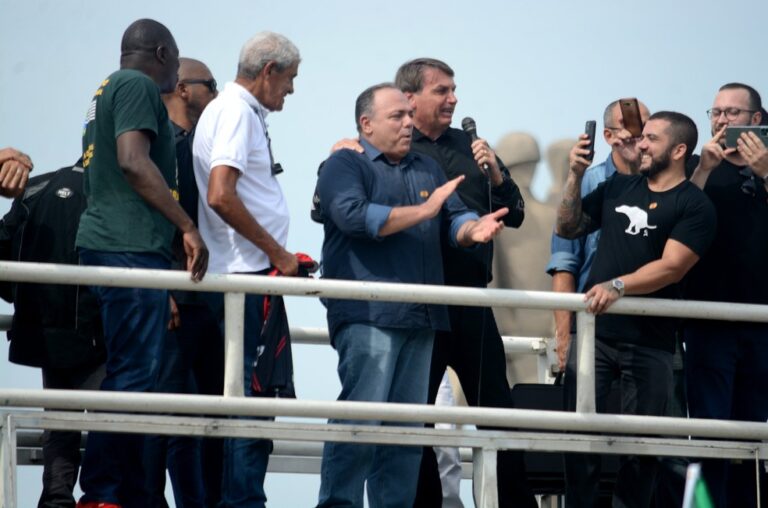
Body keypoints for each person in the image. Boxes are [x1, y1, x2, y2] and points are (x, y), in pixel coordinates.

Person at [316, 57, 531, 507]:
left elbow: (457, 216)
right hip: (373, 312)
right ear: (368, 123)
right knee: (364, 424)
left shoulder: (437, 163)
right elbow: (350, 216)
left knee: (410, 432)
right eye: (398, 115)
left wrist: (472, 230)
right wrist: (425, 211)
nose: (407, 123)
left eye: (407, 116)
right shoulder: (347, 161)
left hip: (434, 314)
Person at [75, 18, 208, 508]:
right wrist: (186, 225)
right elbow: (134, 160)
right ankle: (102, 493)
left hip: (122, 244)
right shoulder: (135, 85)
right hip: (126, 245)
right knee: (133, 373)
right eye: (176, 60)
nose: (177, 72)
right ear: (162, 53)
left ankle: (127, 491)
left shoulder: (110, 86)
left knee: (138, 374)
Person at [556, 111, 716, 508]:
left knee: (641, 449)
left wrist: (618, 285)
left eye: (652, 138)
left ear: (679, 150)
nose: (640, 144)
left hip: (651, 342)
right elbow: (567, 228)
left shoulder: (695, 205)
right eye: (642, 136)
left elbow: (672, 266)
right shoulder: (618, 186)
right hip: (594, 335)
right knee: (578, 439)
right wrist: (575, 175)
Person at [192, 31, 300, 508]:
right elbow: (221, 194)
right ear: (268, 71)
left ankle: (237, 498)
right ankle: (242, 502)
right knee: (251, 403)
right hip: (246, 278)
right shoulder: (236, 111)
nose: (291, 90)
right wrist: (277, 253)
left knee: (246, 400)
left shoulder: (234, 110)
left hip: (247, 275)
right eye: (290, 78)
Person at [0, 160, 105, 508]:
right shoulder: (113, 195)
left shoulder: (35, 189)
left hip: (44, 335)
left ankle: (56, 499)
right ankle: (102, 497)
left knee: (60, 425)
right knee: (112, 421)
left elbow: (4, 252)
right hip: (96, 335)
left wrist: (26, 303)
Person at [684, 82, 768, 508]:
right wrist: (703, 170)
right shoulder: (696, 166)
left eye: (732, 113)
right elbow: (676, 222)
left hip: (762, 323)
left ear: (756, 119)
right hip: (709, 322)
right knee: (708, 433)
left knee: (758, 435)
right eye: (715, 112)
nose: (721, 120)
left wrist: (765, 172)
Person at [143, 57, 221, 508]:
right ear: (183, 89)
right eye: (210, 84)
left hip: (212, 299)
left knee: (214, 412)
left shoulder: (207, 147)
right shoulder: (154, 148)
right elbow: (144, 221)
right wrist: (161, 287)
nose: (217, 94)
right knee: (162, 412)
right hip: (173, 299)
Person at [547, 99, 650, 373]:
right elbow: (564, 264)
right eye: (627, 124)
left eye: (644, 126)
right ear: (607, 135)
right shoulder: (588, 183)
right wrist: (564, 336)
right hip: (593, 324)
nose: (636, 132)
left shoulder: (663, 184)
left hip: (650, 327)